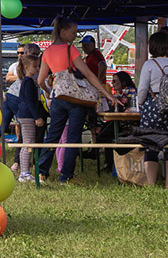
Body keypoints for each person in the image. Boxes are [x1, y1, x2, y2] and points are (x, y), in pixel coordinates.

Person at [37, 17, 116, 184]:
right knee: (73, 138)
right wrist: (106, 93)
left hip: (58, 98)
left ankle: (42, 172)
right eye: (73, 33)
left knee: (53, 136)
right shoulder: (70, 49)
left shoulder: (47, 51)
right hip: (75, 99)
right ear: (63, 32)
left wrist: (50, 91)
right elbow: (87, 73)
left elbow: (40, 80)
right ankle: (66, 176)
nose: (75, 36)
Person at [136, 31, 168, 185]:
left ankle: (151, 183)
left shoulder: (149, 65)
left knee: (151, 145)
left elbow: (142, 89)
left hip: (153, 109)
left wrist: (140, 104)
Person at [16, 54, 46, 183]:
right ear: (27, 68)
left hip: (26, 115)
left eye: (38, 66)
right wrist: (36, 117)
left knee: (29, 143)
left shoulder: (30, 81)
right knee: (28, 143)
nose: (38, 68)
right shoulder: (28, 82)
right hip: (27, 115)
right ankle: (24, 173)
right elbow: (28, 101)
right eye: (35, 66)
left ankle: (25, 172)